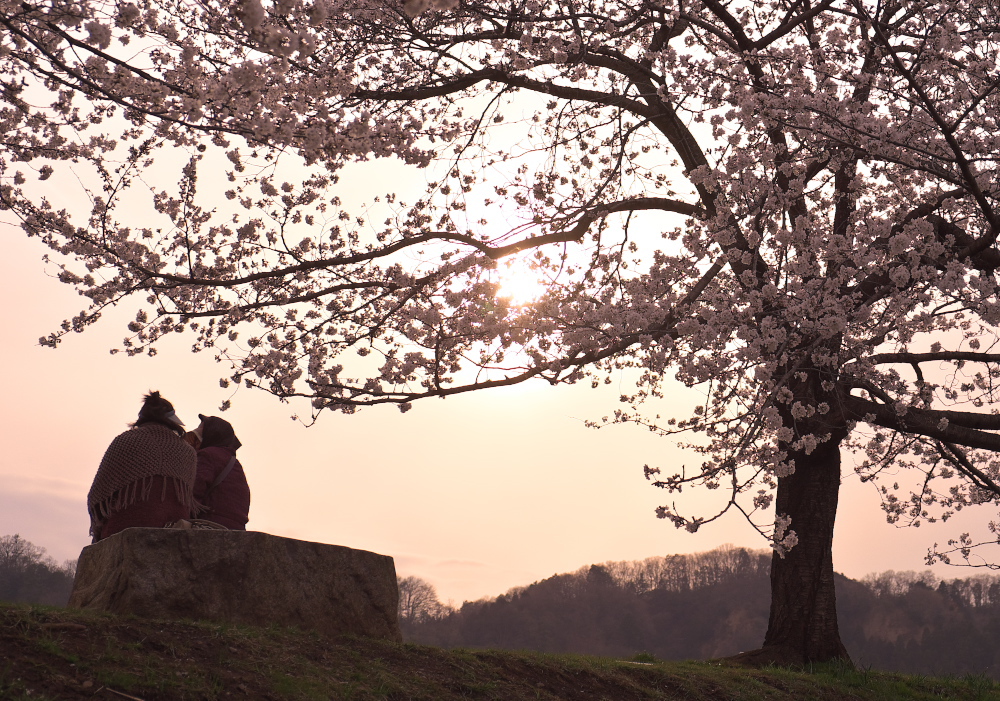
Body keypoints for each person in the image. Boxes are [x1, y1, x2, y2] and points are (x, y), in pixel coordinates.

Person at [87, 391, 197, 542]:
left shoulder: (126, 441)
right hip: (173, 535)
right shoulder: (188, 451)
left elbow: (98, 495)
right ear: (171, 420)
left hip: (124, 530)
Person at [191, 414, 250, 530]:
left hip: (211, 524)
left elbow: (194, 491)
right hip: (235, 528)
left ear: (211, 433)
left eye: (201, 429)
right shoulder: (232, 460)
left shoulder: (208, 455)